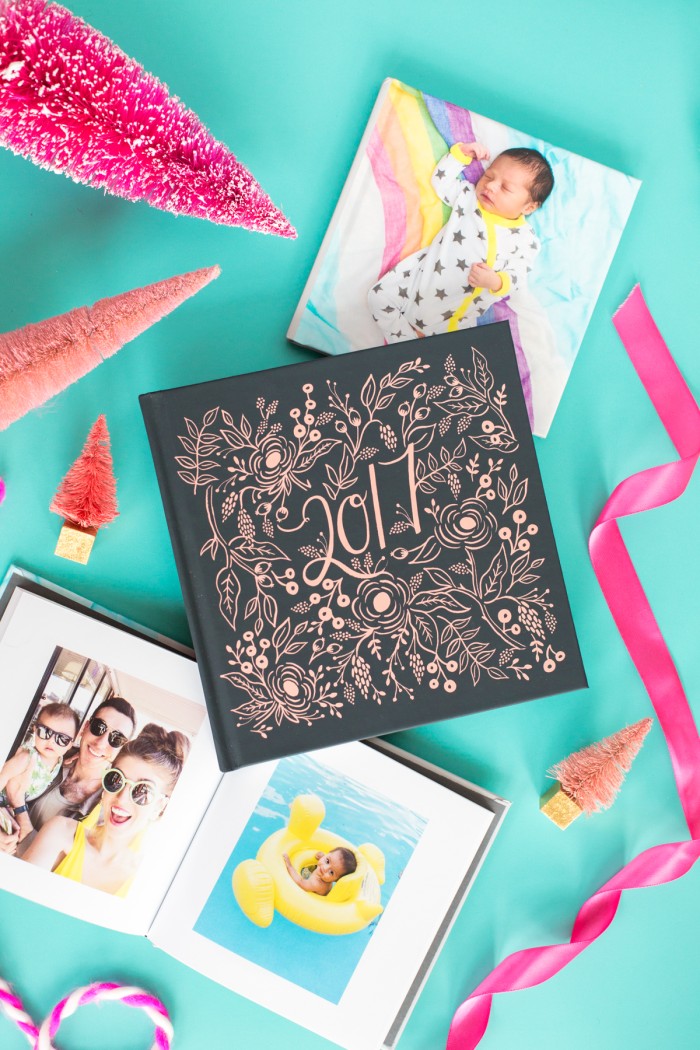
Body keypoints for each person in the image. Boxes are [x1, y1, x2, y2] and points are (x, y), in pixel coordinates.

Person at [368, 141, 554, 341]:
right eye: (489, 176)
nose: (490, 186)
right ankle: (407, 343)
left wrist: (496, 281)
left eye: (505, 188)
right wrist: (460, 155)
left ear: (529, 207)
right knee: (378, 298)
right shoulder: (468, 198)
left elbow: (518, 275)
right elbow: (441, 182)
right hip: (419, 280)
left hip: (456, 314)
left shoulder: (526, 239)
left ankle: (413, 349)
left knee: (451, 347)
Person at [22, 723, 190, 897]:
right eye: (116, 780)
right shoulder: (60, 833)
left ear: (160, 806)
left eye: (143, 791)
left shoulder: (151, 883)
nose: (122, 798)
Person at [8, 696, 137, 848]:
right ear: (86, 727)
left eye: (117, 739)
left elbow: (58, 861)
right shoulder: (51, 753)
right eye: (99, 727)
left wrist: (19, 807)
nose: (100, 743)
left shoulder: (107, 809)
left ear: (122, 748)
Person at [0, 703, 80, 841]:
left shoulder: (60, 758)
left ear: (70, 743)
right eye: (45, 732)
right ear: (35, 729)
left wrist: (77, 754)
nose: (51, 741)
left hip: (14, 809)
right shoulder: (26, 756)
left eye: (62, 739)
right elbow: (3, 775)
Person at [282, 846, 357, 896]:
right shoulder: (327, 870)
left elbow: (300, 882)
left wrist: (289, 865)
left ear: (336, 880)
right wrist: (322, 857)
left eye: (331, 872)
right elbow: (332, 864)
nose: (325, 868)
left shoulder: (318, 884)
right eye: (327, 861)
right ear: (328, 853)